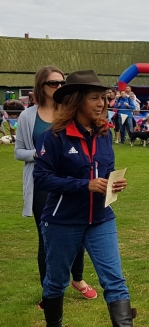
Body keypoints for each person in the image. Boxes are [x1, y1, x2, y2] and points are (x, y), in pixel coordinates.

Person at [32, 69, 149, 327]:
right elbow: (42, 177)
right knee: (56, 280)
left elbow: (103, 171)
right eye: (95, 97)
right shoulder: (54, 138)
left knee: (115, 279)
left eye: (104, 97)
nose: (102, 102)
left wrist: (112, 184)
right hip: (62, 221)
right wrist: (83, 185)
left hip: (100, 218)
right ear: (76, 100)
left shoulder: (104, 133)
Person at [14, 66, 97, 302]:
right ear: (41, 86)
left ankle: (78, 278)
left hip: (74, 180)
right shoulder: (27, 116)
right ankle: (48, 292)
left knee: (78, 230)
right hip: (42, 183)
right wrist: (39, 155)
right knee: (46, 237)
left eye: (62, 83)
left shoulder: (71, 112)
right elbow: (18, 152)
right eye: (53, 83)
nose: (59, 87)